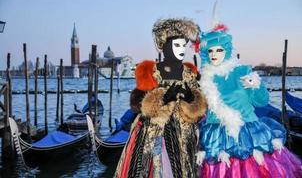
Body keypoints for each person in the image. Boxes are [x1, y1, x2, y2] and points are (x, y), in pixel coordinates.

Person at [196, 24, 302, 177]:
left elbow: (262, 102)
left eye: (219, 50)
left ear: (227, 50)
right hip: (215, 135)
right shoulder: (204, 78)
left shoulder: (241, 71)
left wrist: (256, 86)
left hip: (247, 131)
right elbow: (200, 108)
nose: (214, 54)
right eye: (210, 50)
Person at [115, 18, 207, 178]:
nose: (181, 50)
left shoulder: (190, 72)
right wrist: (164, 99)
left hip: (184, 137)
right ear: (164, 45)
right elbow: (137, 105)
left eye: (184, 45)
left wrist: (190, 97)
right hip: (154, 134)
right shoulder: (149, 71)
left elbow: (200, 108)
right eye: (177, 45)